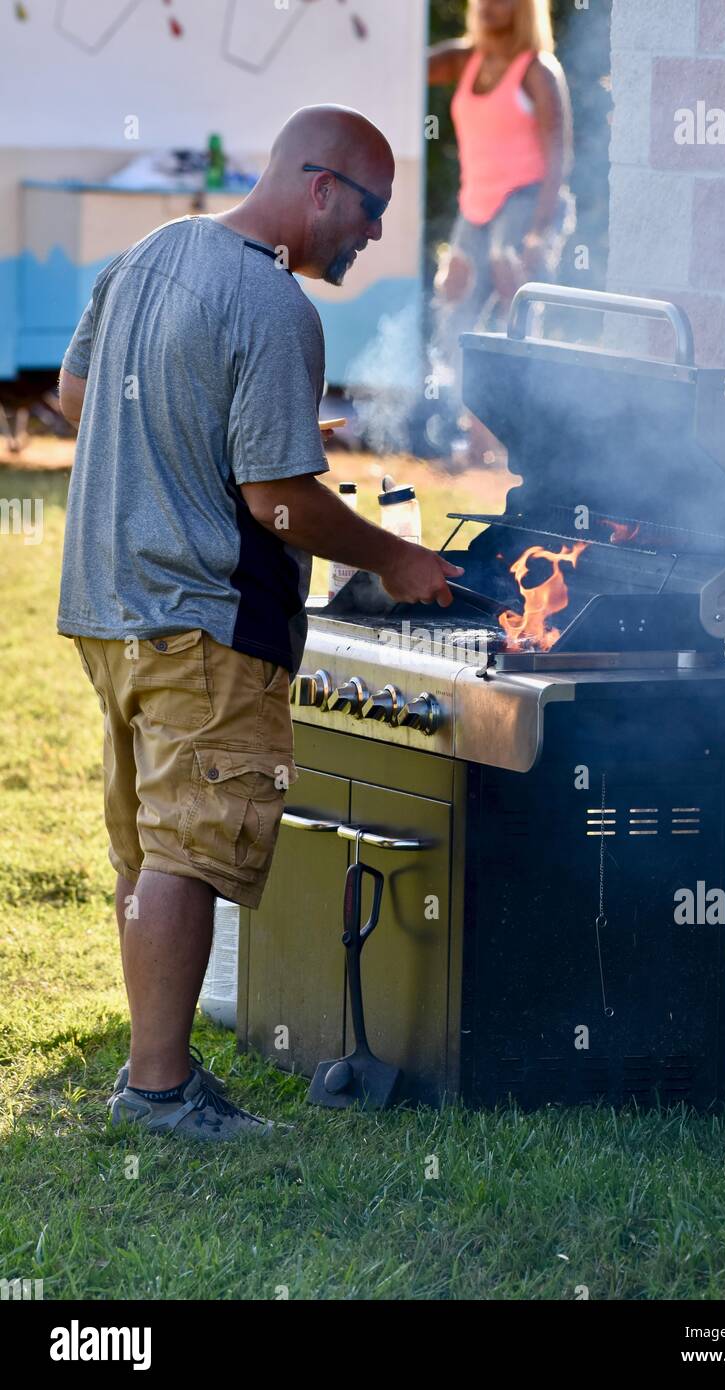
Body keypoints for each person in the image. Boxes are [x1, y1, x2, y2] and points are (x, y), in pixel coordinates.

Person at [57, 104, 463, 1143]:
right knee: (191, 848)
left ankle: (162, 1070)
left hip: (110, 607)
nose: (371, 234)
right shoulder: (278, 308)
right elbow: (276, 502)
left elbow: (77, 393)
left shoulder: (153, 252)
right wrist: (395, 556)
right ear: (320, 187)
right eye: (368, 211)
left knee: (152, 848)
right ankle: (156, 1094)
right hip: (204, 616)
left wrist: (232, 422)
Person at [427, 0, 574, 459]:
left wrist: (537, 235)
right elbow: (405, 67)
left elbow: (559, 158)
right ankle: (479, 439)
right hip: (476, 207)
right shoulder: (463, 59)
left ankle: (526, 441)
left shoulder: (537, 70)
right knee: (454, 311)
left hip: (526, 202)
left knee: (518, 316)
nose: (491, 5)